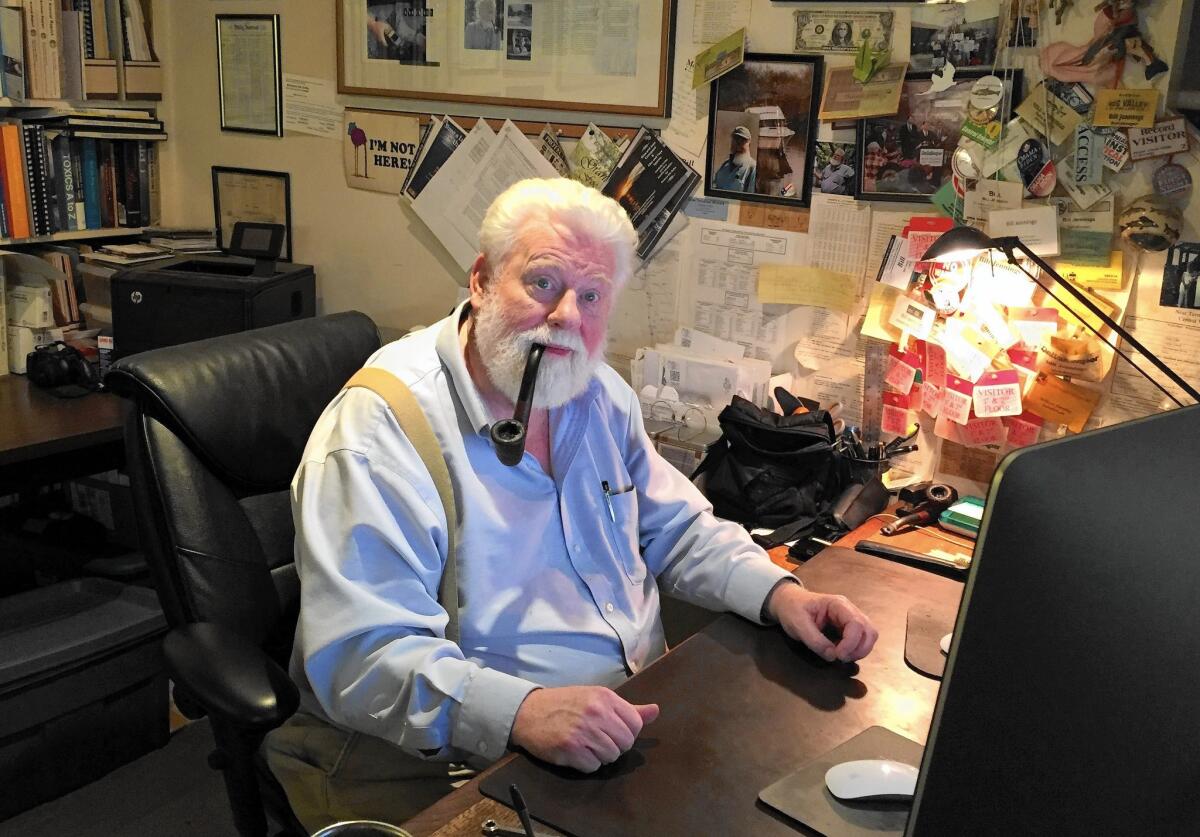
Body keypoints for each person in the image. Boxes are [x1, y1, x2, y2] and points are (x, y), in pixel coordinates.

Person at [265, 178, 877, 832]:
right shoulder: (379, 432)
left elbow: (677, 527)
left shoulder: (596, 394)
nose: (566, 318)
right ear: (480, 280)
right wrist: (520, 710)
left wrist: (783, 595)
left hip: (623, 731)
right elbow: (361, 656)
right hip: (451, 764)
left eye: (590, 296)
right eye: (542, 283)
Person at [713, 125, 757, 192]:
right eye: (735, 141)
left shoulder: (753, 168)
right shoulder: (725, 165)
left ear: (749, 143)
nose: (738, 146)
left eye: (742, 141)